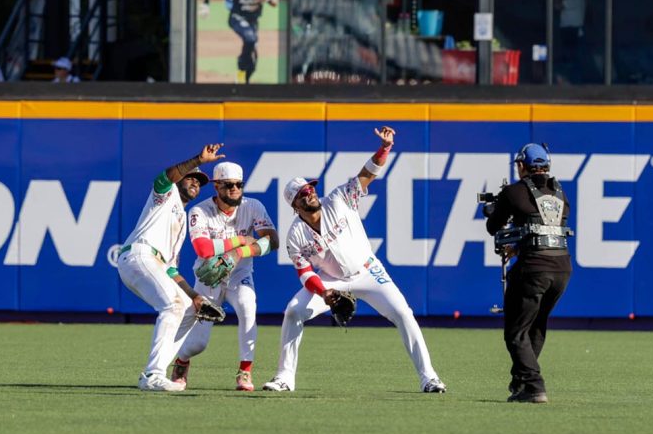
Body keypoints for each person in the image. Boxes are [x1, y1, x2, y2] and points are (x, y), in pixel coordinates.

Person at [262, 126, 447, 394]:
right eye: (303, 193)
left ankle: (429, 378)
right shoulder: (295, 235)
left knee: (403, 313)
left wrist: (384, 148)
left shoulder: (338, 199)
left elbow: (367, 174)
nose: (310, 193)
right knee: (293, 311)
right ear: (295, 205)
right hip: (331, 281)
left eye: (310, 188)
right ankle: (284, 377)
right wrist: (325, 293)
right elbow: (304, 274)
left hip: (368, 271)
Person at [117, 144, 225, 392]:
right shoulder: (165, 196)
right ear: (179, 180)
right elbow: (163, 177)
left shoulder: (182, 223)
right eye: (191, 178)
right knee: (172, 305)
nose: (196, 183)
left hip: (153, 262)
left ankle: (156, 373)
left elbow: (171, 270)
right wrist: (198, 159)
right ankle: (153, 374)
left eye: (200, 181)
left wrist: (195, 296)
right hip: (139, 254)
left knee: (187, 309)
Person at [171, 161, 279, 391]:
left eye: (238, 184)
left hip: (240, 274)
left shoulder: (253, 206)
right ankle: (181, 361)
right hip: (209, 277)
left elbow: (272, 240)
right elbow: (202, 249)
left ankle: (245, 371)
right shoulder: (200, 210)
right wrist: (240, 240)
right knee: (198, 343)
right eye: (228, 185)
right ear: (216, 186)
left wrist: (240, 253)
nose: (234, 189)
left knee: (248, 307)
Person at [485, 143, 573, 403]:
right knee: (536, 326)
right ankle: (522, 382)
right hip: (562, 269)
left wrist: (493, 209)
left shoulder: (514, 191)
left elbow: (494, 226)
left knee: (516, 331)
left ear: (522, 165)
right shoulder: (560, 193)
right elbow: (544, 228)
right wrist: (519, 246)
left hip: (533, 269)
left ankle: (534, 385)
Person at [199, 0, 278, 84]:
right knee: (250, 38)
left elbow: (275, 2)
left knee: (253, 60)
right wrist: (206, 3)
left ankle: (244, 81)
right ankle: (240, 70)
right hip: (236, 17)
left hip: (253, 20)